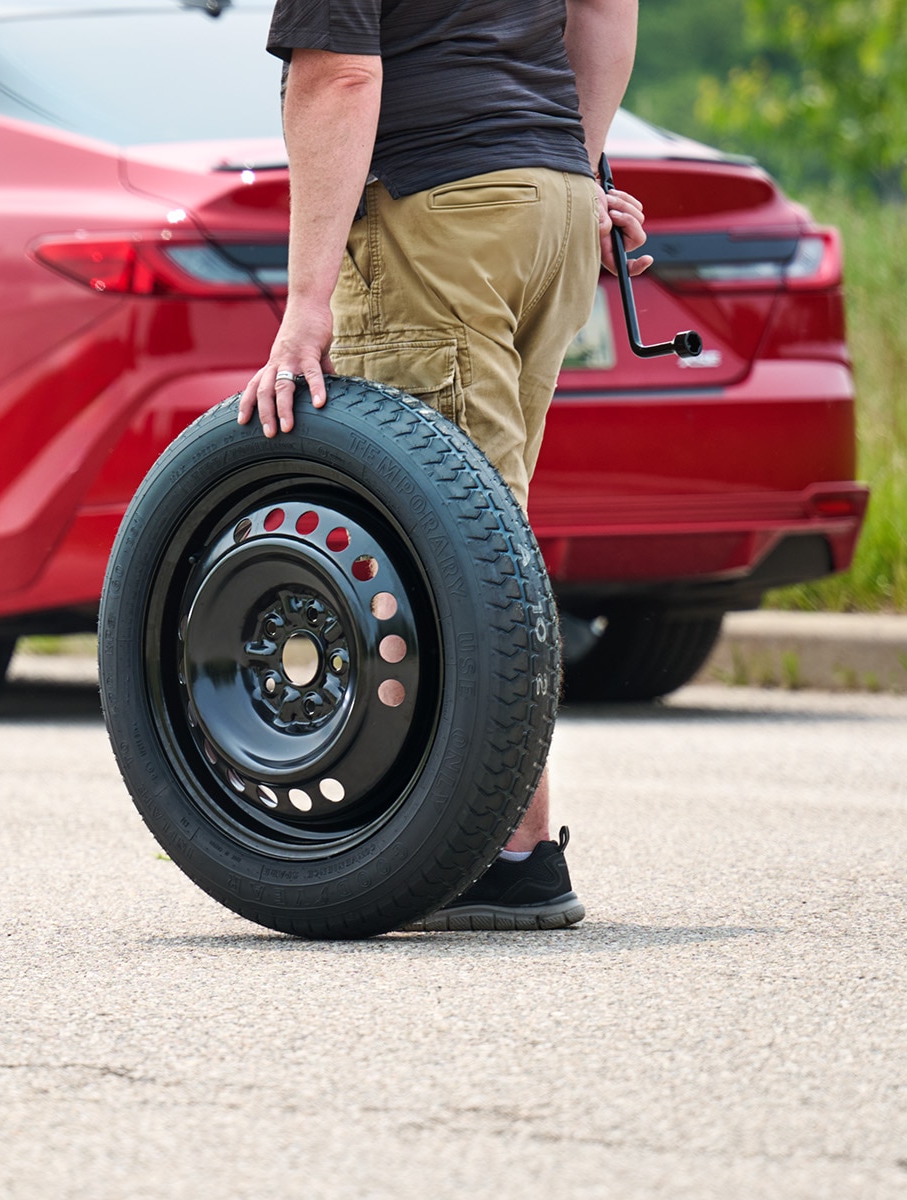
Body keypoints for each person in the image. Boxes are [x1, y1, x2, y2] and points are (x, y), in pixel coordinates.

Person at [246, 0, 652, 930]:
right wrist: (573, 165)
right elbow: (605, 6)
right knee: (486, 527)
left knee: (456, 549)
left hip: (441, 209)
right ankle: (498, 843)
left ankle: (515, 852)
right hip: (546, 204)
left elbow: (340, 72)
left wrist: (306, 302)